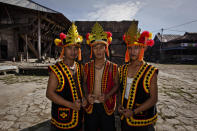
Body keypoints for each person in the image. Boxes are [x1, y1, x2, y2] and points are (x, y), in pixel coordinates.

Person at [118, 20, 158, 131]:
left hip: (143, 119)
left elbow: (154, 99)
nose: (132, 51)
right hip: (125, 116)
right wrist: (120, 105)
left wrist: (134, 111)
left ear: (143, 48)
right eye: (130, 48)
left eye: (136, 48)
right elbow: (121, 90)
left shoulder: (151, 71)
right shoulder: (122, 69)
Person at [46, 23, 86, 131]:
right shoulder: (56, 70)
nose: (73, 51)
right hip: (62, 119)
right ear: (63, 49)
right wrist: (71, 105)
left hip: (79, 117)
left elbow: (82, 87)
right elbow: (49, 94)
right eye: (69, 48)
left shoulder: (80, 67)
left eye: (76, 48)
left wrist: (85, 98)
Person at [83, 22, 119, 131]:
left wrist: (107, 95)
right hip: (91, 105)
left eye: (101, 47)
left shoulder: (113, 67)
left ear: (106, 48)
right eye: (95, 48)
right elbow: (83, 83)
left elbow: (117, 85)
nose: (98, 51)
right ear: (92, 50)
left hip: (107, 105)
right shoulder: (87, 66)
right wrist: (87, 95)